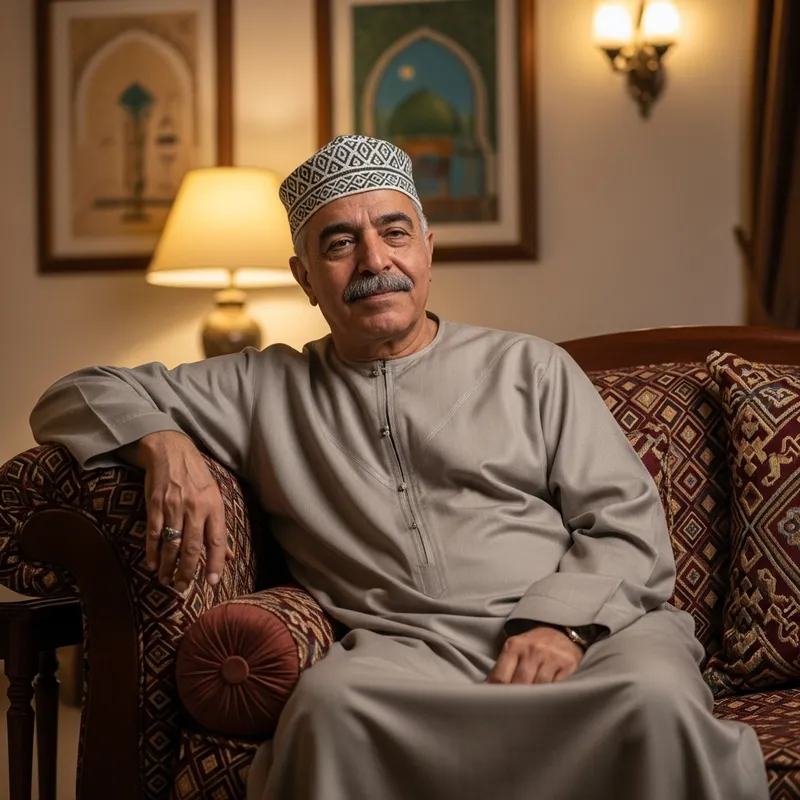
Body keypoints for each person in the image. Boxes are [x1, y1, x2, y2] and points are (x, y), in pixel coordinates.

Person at [30, 135, 768, 800]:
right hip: (404, 654)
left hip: (589, 635)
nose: (374, 262)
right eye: (340, 243)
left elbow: (626, 526)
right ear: (305, 276)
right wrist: (162, 441)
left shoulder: (529, 366)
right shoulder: (261, 387)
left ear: (428, 251)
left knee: (654, 699)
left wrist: (561, 627)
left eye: (394, 233)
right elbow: (74, 394)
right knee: (328, 713)